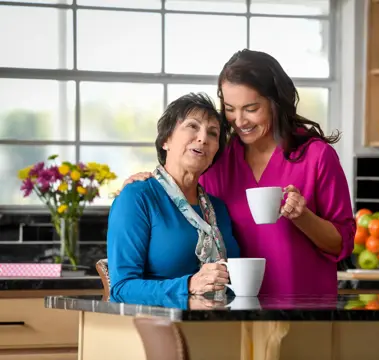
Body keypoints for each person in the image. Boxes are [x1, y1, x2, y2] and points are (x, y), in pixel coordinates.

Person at [118, 49, 355, 297]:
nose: (239, 121)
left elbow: (342, 244)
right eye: (230, 108)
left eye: (251, 108)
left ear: (276, 102)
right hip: (233, 311)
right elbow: (183, 195)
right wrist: (145, 184)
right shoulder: (218, 159)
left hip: (304, 308)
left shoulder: (316, 157)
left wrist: (302, 216)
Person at [107, 92, 240, 305]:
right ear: (166, 140)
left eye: (213, 133)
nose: (203, 138)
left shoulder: (219, 209)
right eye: (192, 126)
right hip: (159, 327)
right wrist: (188, 285)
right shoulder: (137, 197)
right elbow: (122, 288)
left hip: (222, 324)